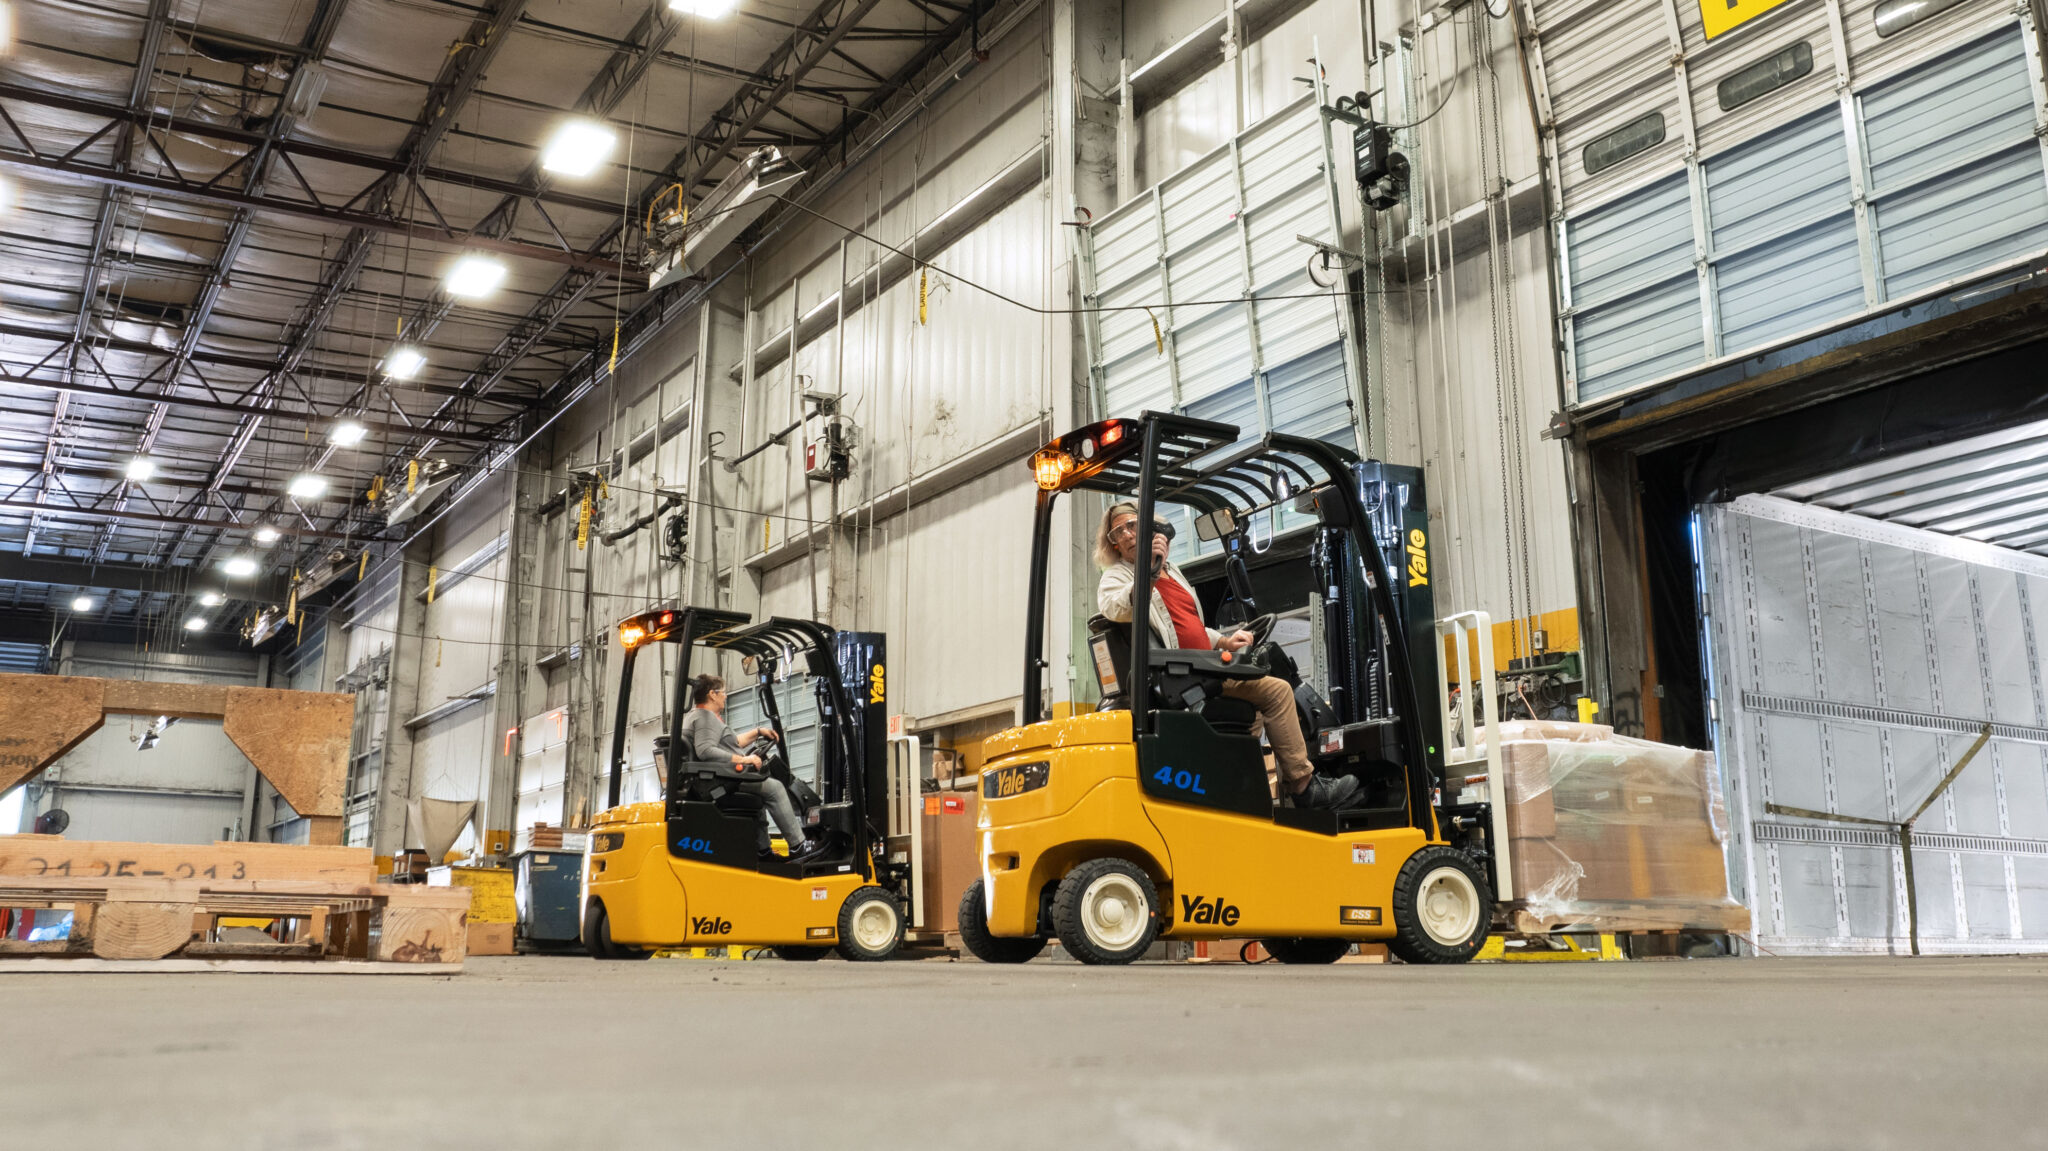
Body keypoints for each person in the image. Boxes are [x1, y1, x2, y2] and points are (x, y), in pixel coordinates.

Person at [1095, 501, 1360, 810]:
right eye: (1119, 530)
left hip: (1201, 665)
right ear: (1113, 541)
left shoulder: (1173, 571)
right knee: (1277, 690)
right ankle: (1304, 787)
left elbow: (1188, 625)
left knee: (1255, 707)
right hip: (1181, 676)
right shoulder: (1117, 576)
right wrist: (1151, 568)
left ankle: (1242, 787)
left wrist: (1225, 641)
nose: (1127, 533)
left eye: (1133, 525)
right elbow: (1115, 608)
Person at [676, 674, 826, 860]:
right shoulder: (706, 718)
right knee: (774, 787)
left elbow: (731, 742)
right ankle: (799, 846)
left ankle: (762, 851)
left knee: (758, 792)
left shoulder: (695, 716)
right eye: (723, 692)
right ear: (712, 695)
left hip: (716, 779)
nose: (726, 696)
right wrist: (743, 760)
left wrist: (757, 733)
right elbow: (706, 750)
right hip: (719, 782)